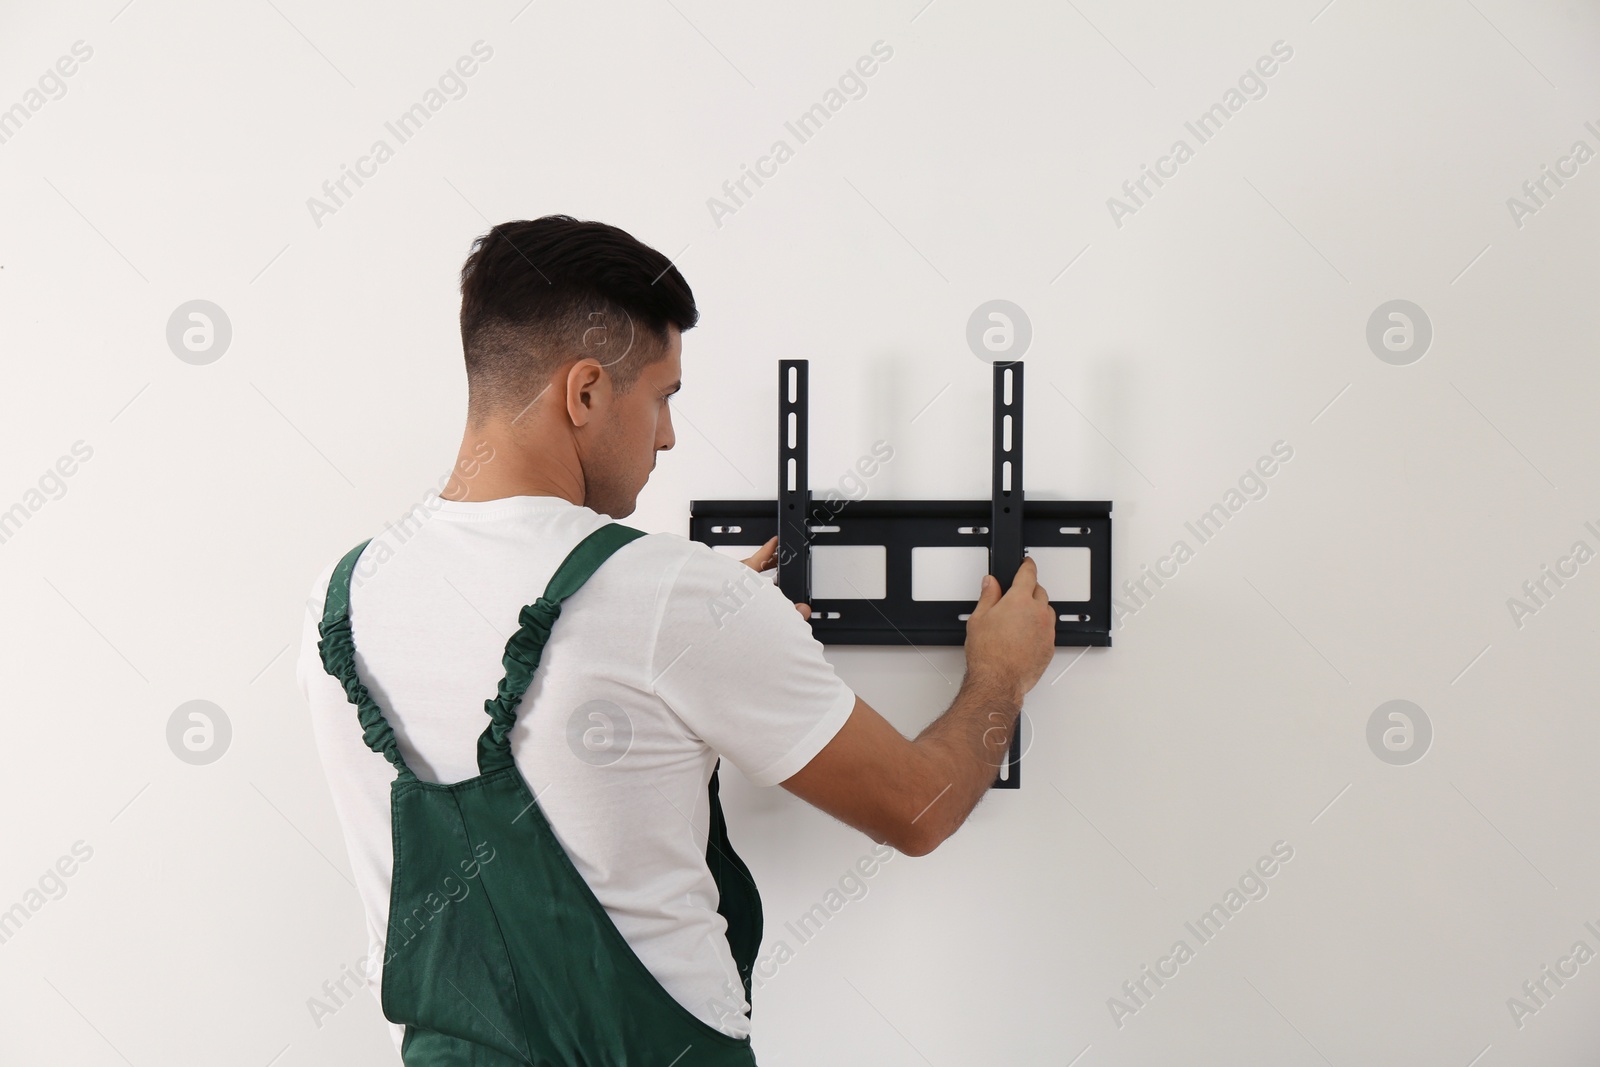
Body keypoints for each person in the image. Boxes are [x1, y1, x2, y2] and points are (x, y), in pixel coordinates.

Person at [295, 214, 1057, 1065]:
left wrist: (702, 630)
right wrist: (1001, 674)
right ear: (584, 393)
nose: (665, 435)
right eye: (661, 397)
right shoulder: (667, 598)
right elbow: (917, 808)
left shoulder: (345, 600)